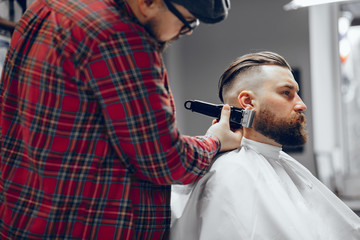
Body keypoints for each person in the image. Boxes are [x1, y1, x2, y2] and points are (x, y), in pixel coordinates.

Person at [0, 0, 242, 239]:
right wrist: (214, 141)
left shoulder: (48, 6)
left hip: (23, 215)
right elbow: (164, 160)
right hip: (82, 227)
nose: (182, 33)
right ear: (148, 2)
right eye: (187, 24)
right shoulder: (119, 37)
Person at [170, 51, 360, 240]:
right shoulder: (231, 173)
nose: (301, 105)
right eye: (287, 93)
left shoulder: (278, 162)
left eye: (297, 94)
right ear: (248, 102)